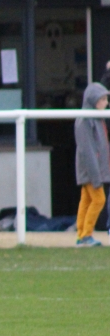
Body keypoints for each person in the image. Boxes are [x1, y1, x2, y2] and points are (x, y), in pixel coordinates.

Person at [74, 83, 110, 247]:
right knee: (99, 199)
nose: (106, 103)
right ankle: (86, 235)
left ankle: (81, 234)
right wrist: (96, 176)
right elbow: (87, 151)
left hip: (94, 171)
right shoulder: (85, 121)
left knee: (86, 200)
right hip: (90, 171)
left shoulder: (97, 118)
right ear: (93, 100)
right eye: (103, 99)